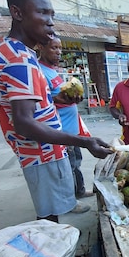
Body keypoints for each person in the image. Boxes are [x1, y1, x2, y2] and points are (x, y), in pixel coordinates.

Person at [0, 0, 112, 223]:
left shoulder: (3, 48)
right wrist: (84, 141)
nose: (50, 21)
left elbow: (23, 106)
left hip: (36, 152)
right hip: (40, 153)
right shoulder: (19, 58)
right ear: (17, 12)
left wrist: (54, 100)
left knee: (50, 213)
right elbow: (24, 123)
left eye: (52, 14)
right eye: (42, 12)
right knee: (48, 220)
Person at [38, 36, 95, 208]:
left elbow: (59, 96)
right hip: (60, 132)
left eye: (60, 48)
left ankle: (79, 191)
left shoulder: (53, 70)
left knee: (75, 163)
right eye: (54, 48)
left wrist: (71, 99)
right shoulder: (39, 71)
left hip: (72, 130)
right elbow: (41, 102)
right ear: (41, 47)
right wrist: (60, 99)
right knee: (66, 168)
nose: (58, 52)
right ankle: (70, 202)